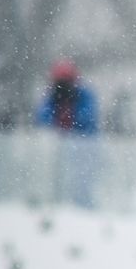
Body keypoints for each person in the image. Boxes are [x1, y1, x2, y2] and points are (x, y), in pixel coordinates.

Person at [35, 59, 100, 207]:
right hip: (57, 146)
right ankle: (59, 204)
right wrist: (58, 118)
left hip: (85, 146)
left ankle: (82, 207)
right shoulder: (52, 96)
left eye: (65, 81)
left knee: (83, 179)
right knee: (56, 177)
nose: (63, 86)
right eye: (60, 82)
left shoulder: (85, 95)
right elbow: (42, 115)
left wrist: (69, 118)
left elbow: (89, 116)